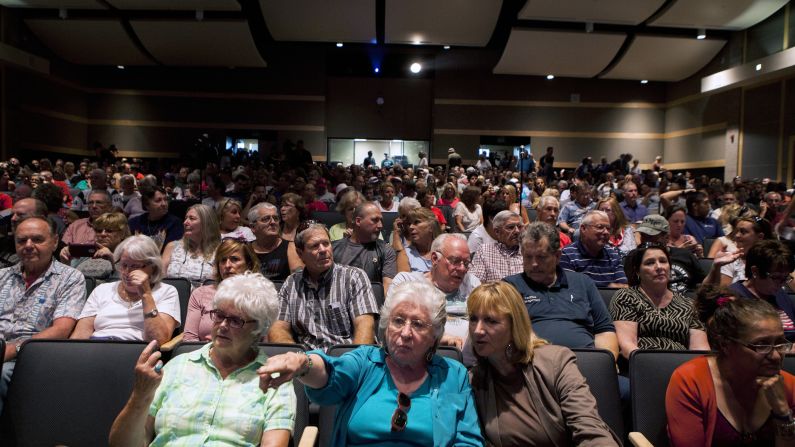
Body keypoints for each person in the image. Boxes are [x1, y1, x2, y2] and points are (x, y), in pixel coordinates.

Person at [258, 281, 484, 446]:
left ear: (435, 335)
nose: (405, 333)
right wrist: (303, 362)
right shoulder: (365, 361)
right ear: (385, 326)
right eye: (398, 321)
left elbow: (468, 441)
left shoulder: (453, 375)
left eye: (417, 324)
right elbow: (330, 374)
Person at [109, 273, 295, 447]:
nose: (222, 325)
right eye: (219, 315)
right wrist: (140, 394)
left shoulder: (275, 378)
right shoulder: (178, 366)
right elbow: (121, 443)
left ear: (259, 329)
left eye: (235, 320)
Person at [467, 282, 620, 446]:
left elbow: (590, 431)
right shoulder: (473, 379)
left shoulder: (556, 362)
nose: (477, 330)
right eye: (473, 319)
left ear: (514, 325)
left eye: (490, 321)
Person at [666, 288, 795, 446]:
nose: (776, 356)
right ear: (725, 344)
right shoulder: (691, 381)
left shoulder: (788, 385)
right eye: (761, 345)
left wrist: (782, 413)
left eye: (780, 343)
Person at [0, 216, 86, 414]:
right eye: (22, 240)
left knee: (2, 373)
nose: (28, 245)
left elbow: (61, 330)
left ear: (55, 241)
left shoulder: (70, 278)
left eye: (37, 239)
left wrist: (13, 349)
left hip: (32, 356)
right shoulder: (2, 276)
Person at [503, 222, 619, 358]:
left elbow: (604, 330)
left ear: (557, 256)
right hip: (532, 362)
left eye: (541, 257)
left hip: (585, 361)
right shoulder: (510, 287)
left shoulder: (583, 282)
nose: (534, 264)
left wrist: (605, 361)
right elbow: (502, 335)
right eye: (528, 257)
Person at [268, 224, 379, 350]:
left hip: (346, 358)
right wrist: (295, 358)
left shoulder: (354, 277)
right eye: (315, 246)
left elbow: (365, 327)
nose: (323, 250)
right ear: (300, 253)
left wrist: (351, 363)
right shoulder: (291, 283)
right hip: (306, 361)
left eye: (326, 243)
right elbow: (278, 328)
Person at [609, 243, 709, 363]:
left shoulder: (688, 305)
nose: (659, 267)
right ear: (637, 271)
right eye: (650, 263)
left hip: (682, 369)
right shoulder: (626, 297)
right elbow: (627, 346)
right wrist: (657, 368)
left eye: (663, 261)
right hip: (641, 368)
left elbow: (700, 350)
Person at [70, 235, 180, 343]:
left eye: (135, 266)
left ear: (153, 266)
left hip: (135, 350)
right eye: (124, 265)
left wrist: (146, 295)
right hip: (97, 347)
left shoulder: (167, 292)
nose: (127, 272)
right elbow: (80, 335)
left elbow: (159, 339)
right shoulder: (102, 290)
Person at [183, 239, 261, 342]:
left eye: (234, 259)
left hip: (242, 355)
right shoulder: (200, 294)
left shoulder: (260, 296)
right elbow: (190, 338)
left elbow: (263, 339)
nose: (227, 265)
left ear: (249, 264)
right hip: (203, 353)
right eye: (223, 260)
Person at [727, 240, 795, 341]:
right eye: (775, 277)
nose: (781, 284)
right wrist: (788, 348)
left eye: (785, 278)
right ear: (755, 271)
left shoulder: (780, 294)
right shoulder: (733, 297)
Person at [635, 214, 708, 293]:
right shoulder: (635, 257)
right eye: (643, 236)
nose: (645, 241)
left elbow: (704, 283)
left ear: (666, 238)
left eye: (650, 237)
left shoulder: (685, 255)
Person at [332, 202, 397, 291]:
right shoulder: (334, 248)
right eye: (375, 220)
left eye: (381, 220)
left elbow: (388, 288)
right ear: (358, 221)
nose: (380, 225)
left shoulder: (386, 250)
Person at [560, 210, 628, 288]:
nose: (606, 232)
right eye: (600, 227)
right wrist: (608, 286)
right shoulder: (567, 254)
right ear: (583, 229)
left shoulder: (613, 254)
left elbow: (623, 287)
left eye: (608, 228)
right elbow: (572, 288)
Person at [162, 204, 219, 289]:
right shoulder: (172, 247)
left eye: (192, 218)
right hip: (173, 298)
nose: (185, 222)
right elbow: (159, 278)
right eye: (186, 218)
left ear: (206, 223)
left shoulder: (219, 251)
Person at [249, 202, 301, 281]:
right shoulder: (246, 250)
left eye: (276, 218)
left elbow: (299, 280)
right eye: (266, 219)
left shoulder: (291, 247)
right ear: (253, 227)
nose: (273, 222)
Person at [59, 189, 113, 263]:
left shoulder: (116, 226)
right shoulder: (76, 225)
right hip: (76, 270)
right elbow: (64, 248)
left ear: (110, 206)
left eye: (99, 202)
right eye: (90, 203)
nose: (94, 206)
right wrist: (64, 251)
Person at [470, 210, 524, 283]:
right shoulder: (485, 251)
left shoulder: (528, 252)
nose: (517, 231)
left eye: (520, 227)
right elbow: (476, 283)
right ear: (497, 232)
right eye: (510, 227)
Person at [717, 216, 774, 285]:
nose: (737, 236)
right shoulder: (730, 260)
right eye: (736, 231)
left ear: (760, 237)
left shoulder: (775, 261)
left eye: (743, 232)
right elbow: (723, 292)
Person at [75, 212, 131, 279]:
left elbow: (126, 281)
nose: (103, 234)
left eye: (109, 231)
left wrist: (112, 258)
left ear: (122, 234)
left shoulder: (130, 257)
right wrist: (65, 262)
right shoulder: (87, 253)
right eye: (99, 231)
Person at [128, 186, 184, 250]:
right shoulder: (135, 222)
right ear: (147, 204)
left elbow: (172, 250)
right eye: (158, 200)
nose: (164, 204)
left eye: (165, 199)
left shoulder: (175, 223)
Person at [404, 207, 442, 273]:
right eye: (409, 223)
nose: (411, 227)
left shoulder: (444, 251)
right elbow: (404, 282)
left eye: (416, 222)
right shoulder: (405, 254)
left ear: (431, 227)